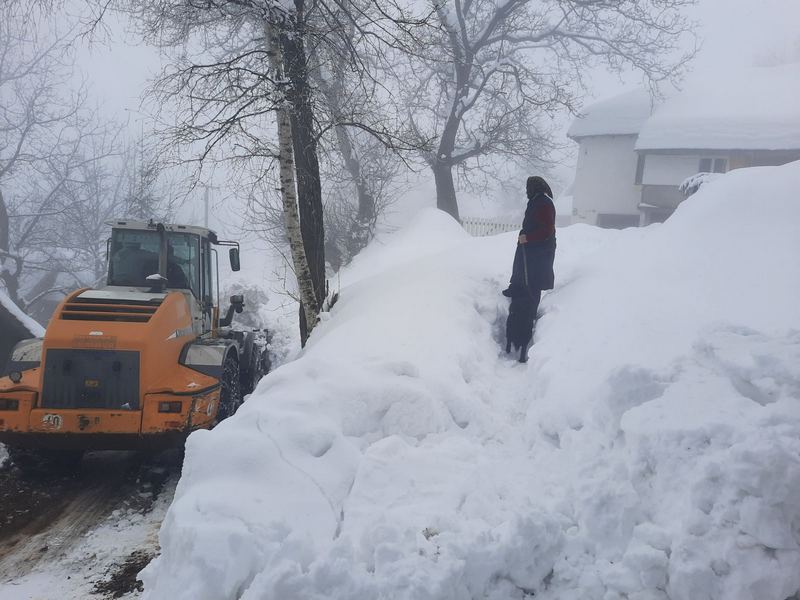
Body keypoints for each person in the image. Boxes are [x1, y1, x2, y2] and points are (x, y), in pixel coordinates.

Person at [502, 176, 556, 359]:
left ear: (534, 188)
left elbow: (547, 230)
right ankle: (516, 289)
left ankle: (530, 315)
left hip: (540, 251)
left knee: (533, 280)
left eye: (528, 187)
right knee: (522, 273)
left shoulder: (544, 204)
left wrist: (529, 238)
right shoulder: (536, 201)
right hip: (531, 249)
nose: (526, 191)